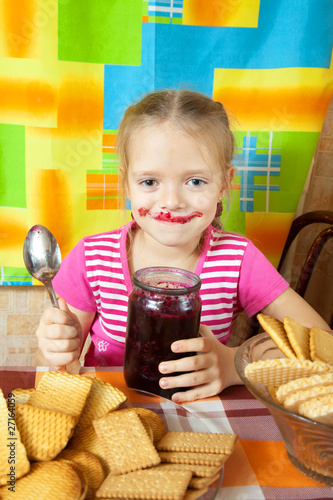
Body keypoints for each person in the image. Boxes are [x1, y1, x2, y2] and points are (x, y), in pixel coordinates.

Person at [35, 89, 330, 403]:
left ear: (224, 185)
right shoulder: (91, 258)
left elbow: (323, 345)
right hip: (109, 411)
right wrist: (54, 352)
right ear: (126, 185)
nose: (172, 202)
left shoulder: (238, 260)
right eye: (150, 182)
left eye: (196, 181)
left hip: (203, 414)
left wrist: (233, 365)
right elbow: (53, 368)